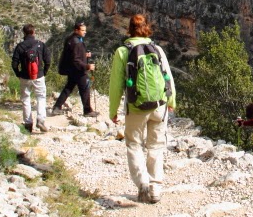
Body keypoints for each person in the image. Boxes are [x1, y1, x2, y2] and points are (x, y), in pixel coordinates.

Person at [109, 14, 176, 204]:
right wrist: (171, 101)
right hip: (159, 106)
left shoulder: (123, 51)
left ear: (129, 29)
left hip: (135, 107)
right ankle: (155, 187)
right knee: (156, 146)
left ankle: (143, 183)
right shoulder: (157, 49)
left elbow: (115, 85)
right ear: (147, 28)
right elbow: (168, 77)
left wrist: (113, 110)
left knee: (134, 144)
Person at [11, 24, 51, 133]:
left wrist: (18, 74)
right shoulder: (40, 45)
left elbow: (14, 64)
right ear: (34, 32)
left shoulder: (20, 46)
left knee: (25, 99)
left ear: (24, 33)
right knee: (41, 97)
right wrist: (44, 72)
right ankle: (41, 120)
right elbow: (48, 61)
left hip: (24, 77)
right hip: (39, 75)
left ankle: (28, 124)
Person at [52, 22, 98, 117]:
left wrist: (84, 55)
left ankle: (57, 107)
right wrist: (87, 66)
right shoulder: (76, 42)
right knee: (85, 88)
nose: (85, 32)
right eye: (83, 30)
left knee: (68, 88)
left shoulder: (71, 39)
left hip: (72, 69)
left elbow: (73, 55)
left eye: (85, 30)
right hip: (78, 70)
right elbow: (76, 60)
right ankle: (87, 111)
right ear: (76, 30)